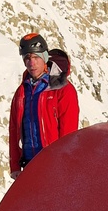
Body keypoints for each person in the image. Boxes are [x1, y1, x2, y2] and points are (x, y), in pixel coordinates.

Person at [9, 33, 79, 178]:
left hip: (54, 165)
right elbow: (14, 129)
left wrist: (64, 165)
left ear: (45, 57)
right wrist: (15, 166)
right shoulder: (21, 92)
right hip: (29, 165)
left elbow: (69, 133)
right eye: (27, 58)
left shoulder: (62, 89)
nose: (31, 63)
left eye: (36, 57)